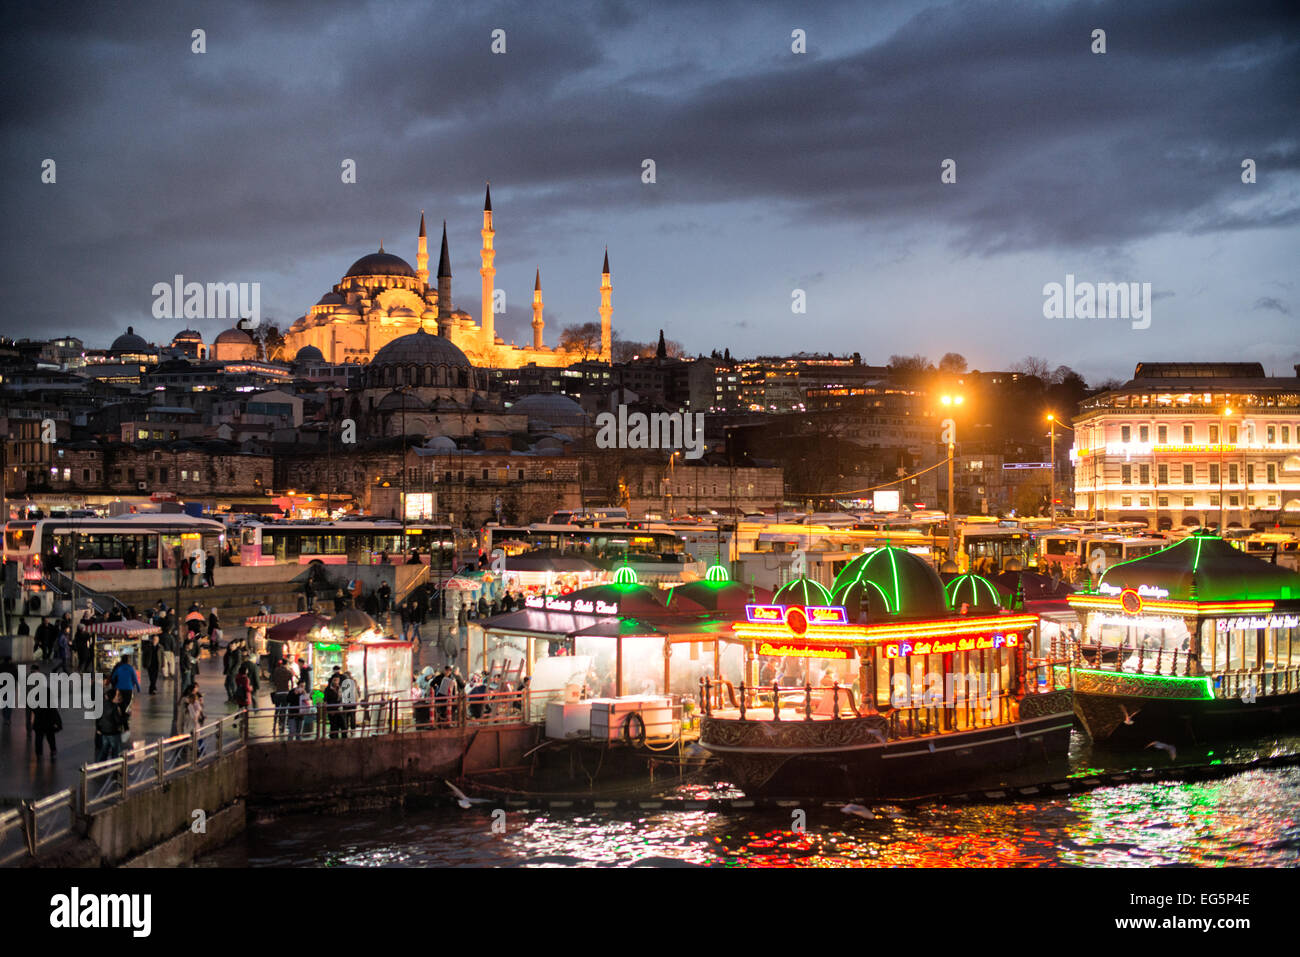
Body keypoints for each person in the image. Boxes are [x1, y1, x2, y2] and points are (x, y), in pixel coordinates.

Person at [95, 691, 127, 760]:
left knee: (104, 751)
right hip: (113, 732)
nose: (118, 698)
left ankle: (99, 766)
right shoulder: (114, 707)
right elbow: (118, 721)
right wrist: (124, 718)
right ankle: (115, 767)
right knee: (116, 751)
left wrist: (98, 729)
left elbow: (98, 718)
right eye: (116, 696)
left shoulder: (102, 705)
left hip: (104, 732)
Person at [271, 658, 295, 734]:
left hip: (278, 693)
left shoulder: (276, 670)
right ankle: (282, 726)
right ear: (287, 664)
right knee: (284, 710)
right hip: (285, 693)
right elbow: (292, 682)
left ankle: (274, 726)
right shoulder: (288, 671)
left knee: (277, 710)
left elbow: (273, 680)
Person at [0, 656, 17, 725]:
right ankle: (7, 718)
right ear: (10, 660)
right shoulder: (13, 666)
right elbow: (17, 676)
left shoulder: (0, 666)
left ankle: (5, 718)